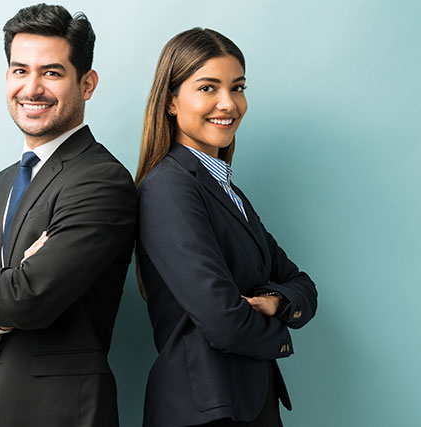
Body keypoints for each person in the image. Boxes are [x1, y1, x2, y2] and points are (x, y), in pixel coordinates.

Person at [0, 4, 136, 426]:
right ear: (7, 78)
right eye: (21, 71)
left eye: (52, 73)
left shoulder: (101, 180)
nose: (32, 88)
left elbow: (30, 298)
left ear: (87, 83)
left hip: (59, 415)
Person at [135, 28, 318, 427]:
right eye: (207, 88)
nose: (228, 103)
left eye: (237, 87)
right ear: (170, 101)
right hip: (204, 408)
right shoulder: (167, 188)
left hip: (243, 403)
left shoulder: (227, 190)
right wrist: (281, 337)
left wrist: (276, 300)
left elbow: (301, 283)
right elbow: (223, 320)